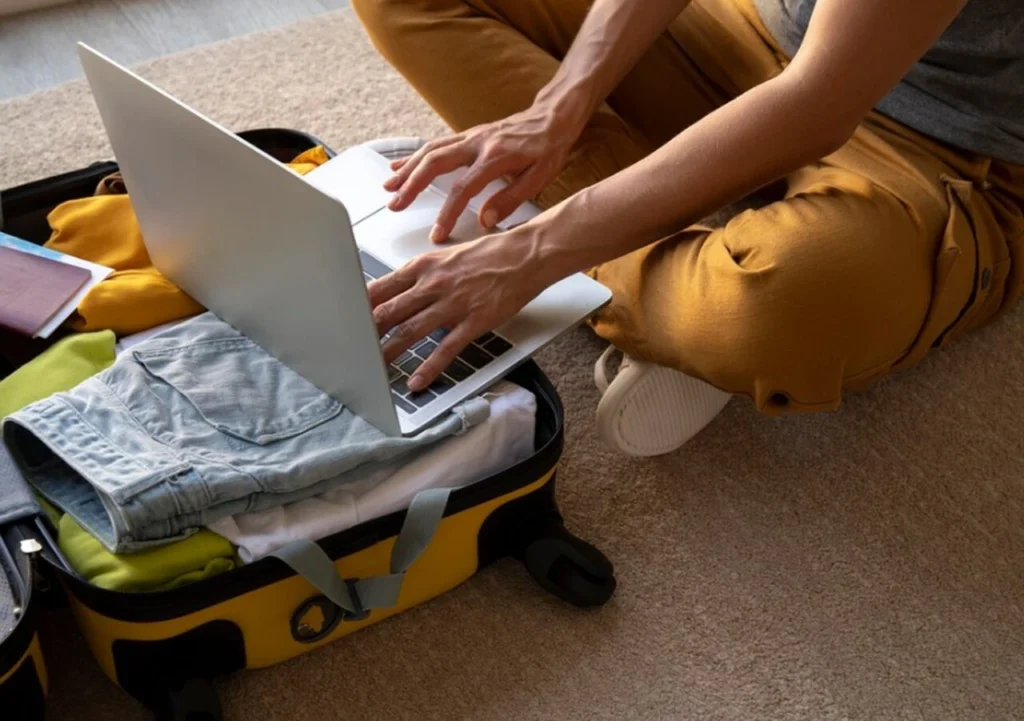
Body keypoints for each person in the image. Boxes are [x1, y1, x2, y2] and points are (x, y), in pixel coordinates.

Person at [352, 0, 1024, 456]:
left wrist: (531, 250)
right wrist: (560, 103)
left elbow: (818, 103)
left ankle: (625, 259)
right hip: (765, 36)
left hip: (941, 149)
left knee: (775, 306)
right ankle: (668, 287)